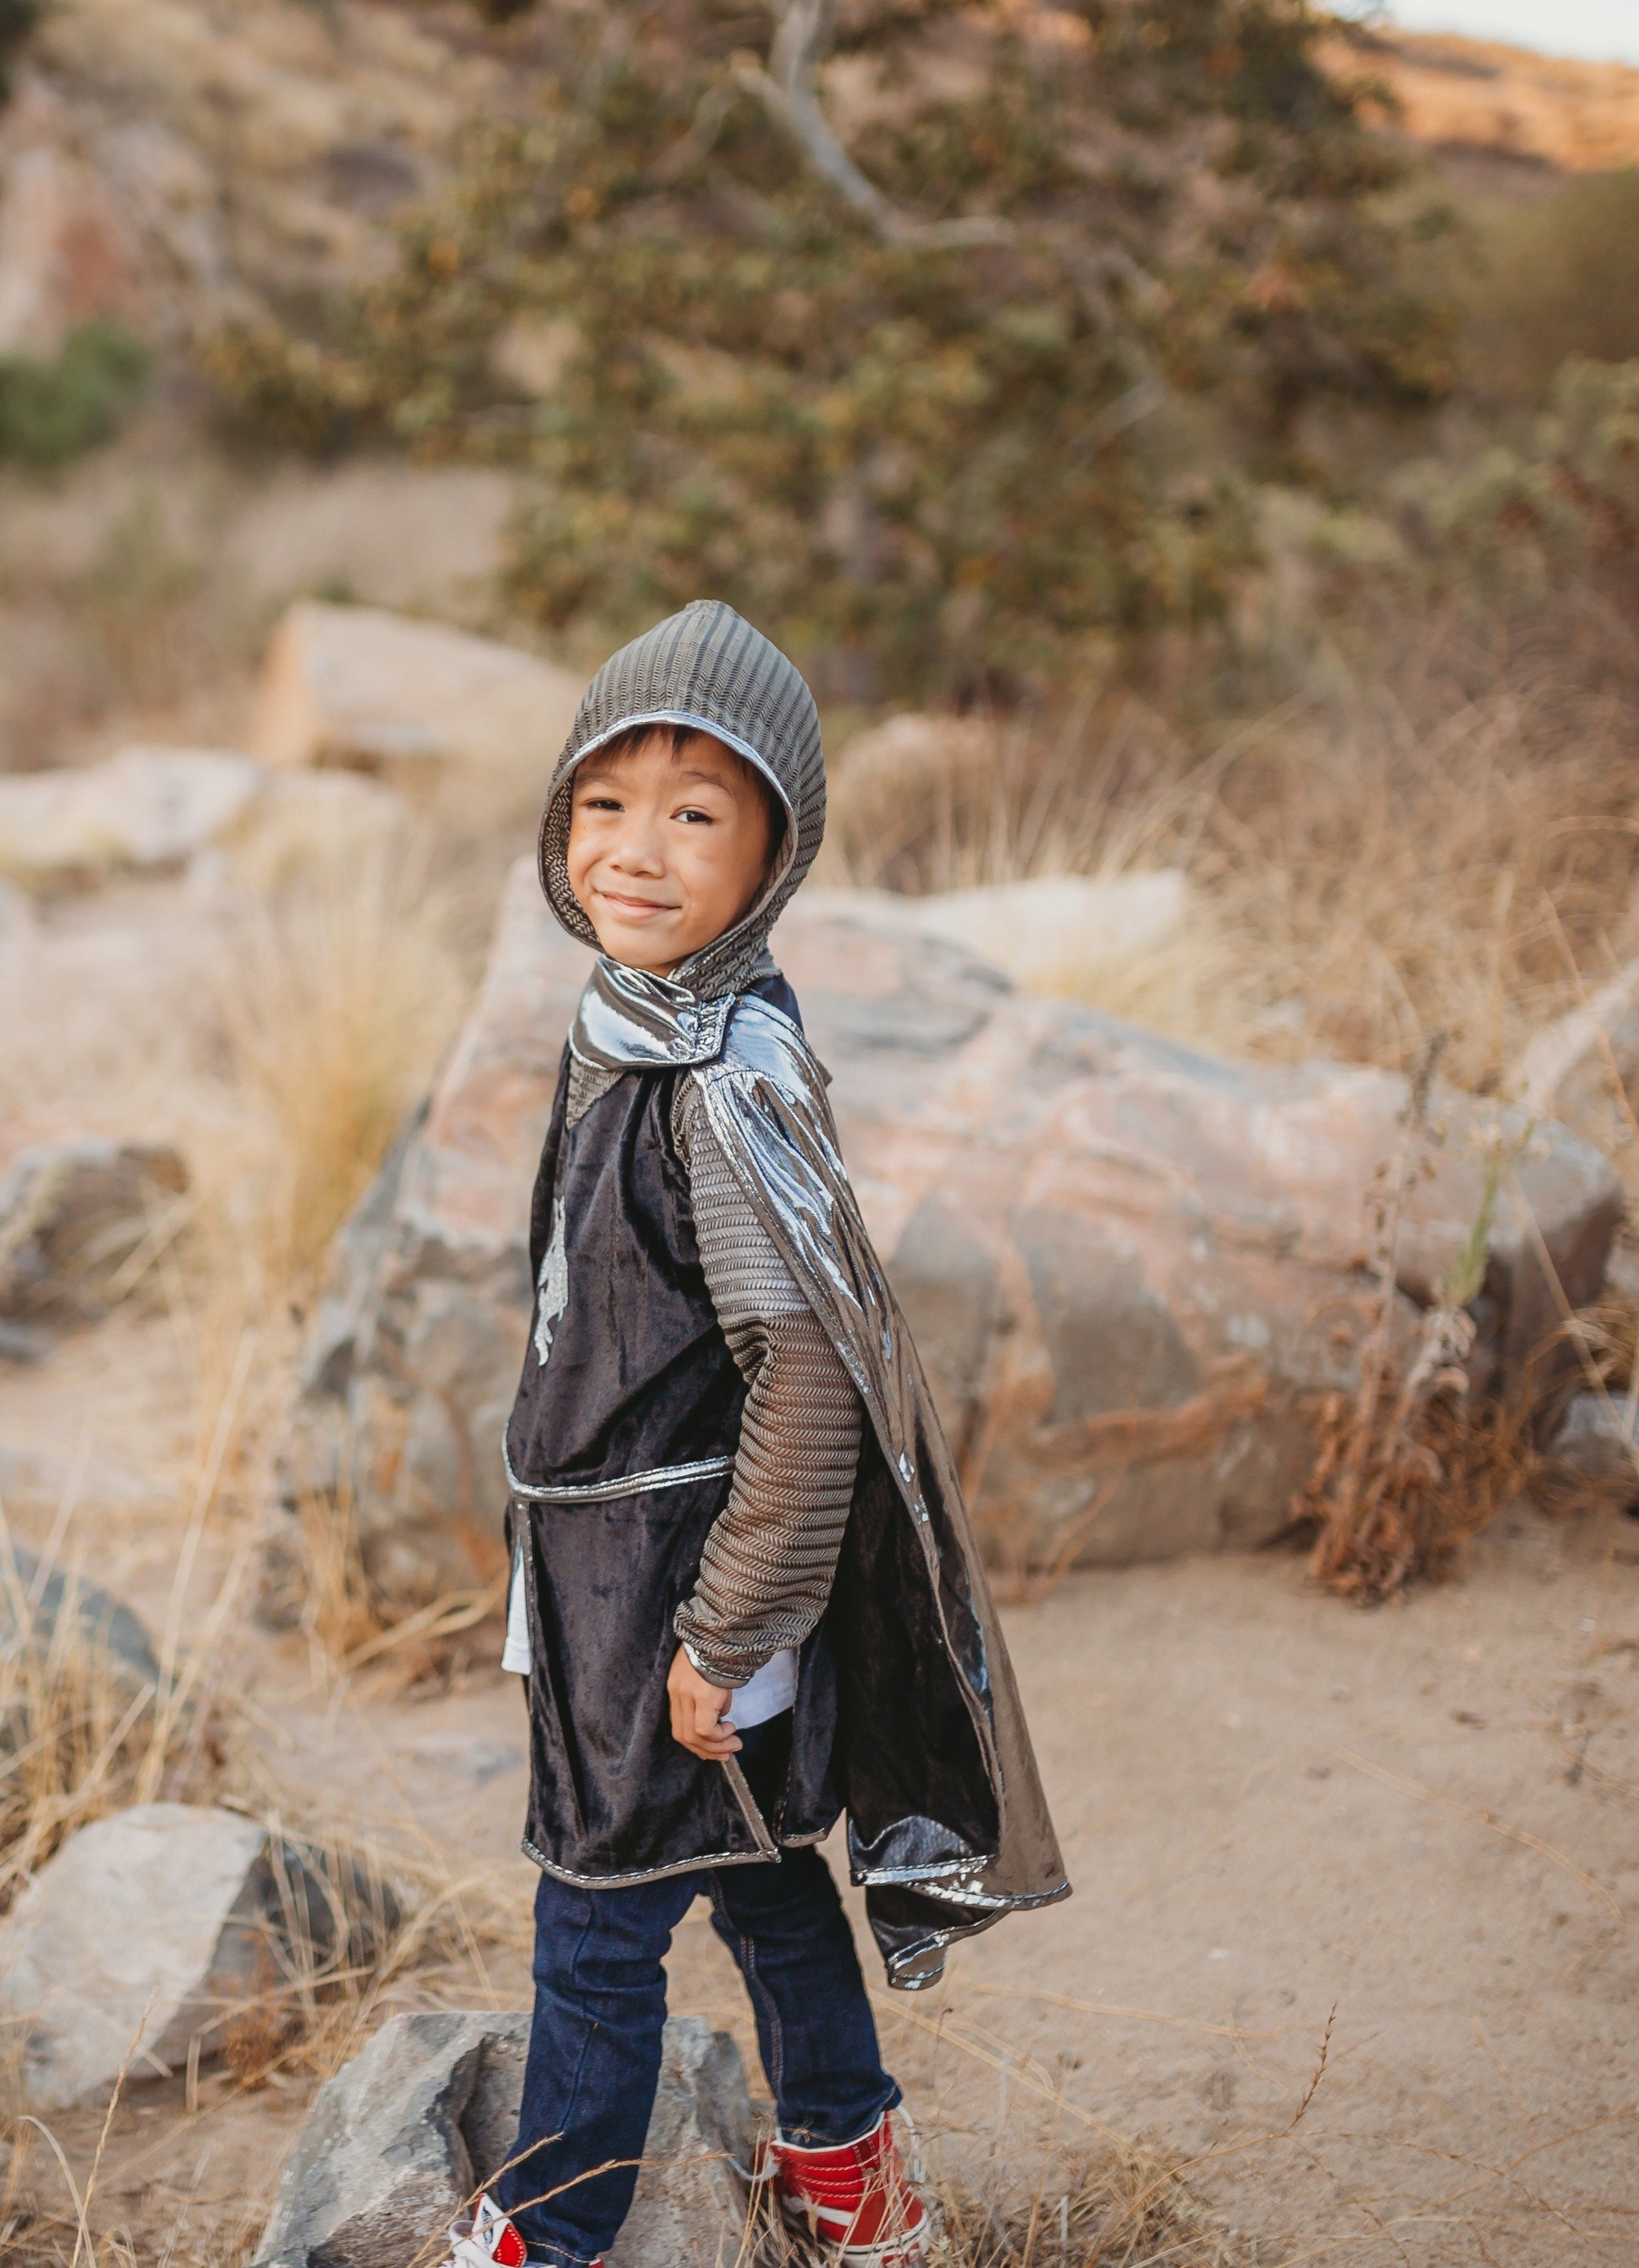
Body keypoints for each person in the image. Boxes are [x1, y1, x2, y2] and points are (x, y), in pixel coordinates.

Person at [445, 601, 1068, 2268]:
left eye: (696, 813)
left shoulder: (722, 1075)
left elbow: (804, 1379)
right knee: (767, 1872)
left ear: (774, 852)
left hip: (682, 1587)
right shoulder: (634, 1025)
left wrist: (732, 1626)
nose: (636, 852)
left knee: (595, 1923)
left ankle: (549, 2232)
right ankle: (853, 2181)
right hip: (616, 1571)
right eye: (604, 804)